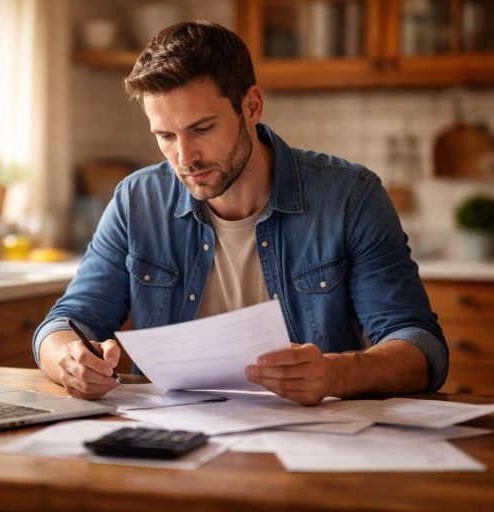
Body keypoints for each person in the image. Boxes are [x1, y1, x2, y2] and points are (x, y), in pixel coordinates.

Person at [32, 21, 447, 406]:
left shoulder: (349, 196)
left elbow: (420, 347)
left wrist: (336, 374)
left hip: (309, 441)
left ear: (251, 107)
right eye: (165, 136)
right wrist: (67, 360)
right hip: (173, 437)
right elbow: (65, 323)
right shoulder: (136, 200)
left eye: (202, 129)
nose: (185, 157)